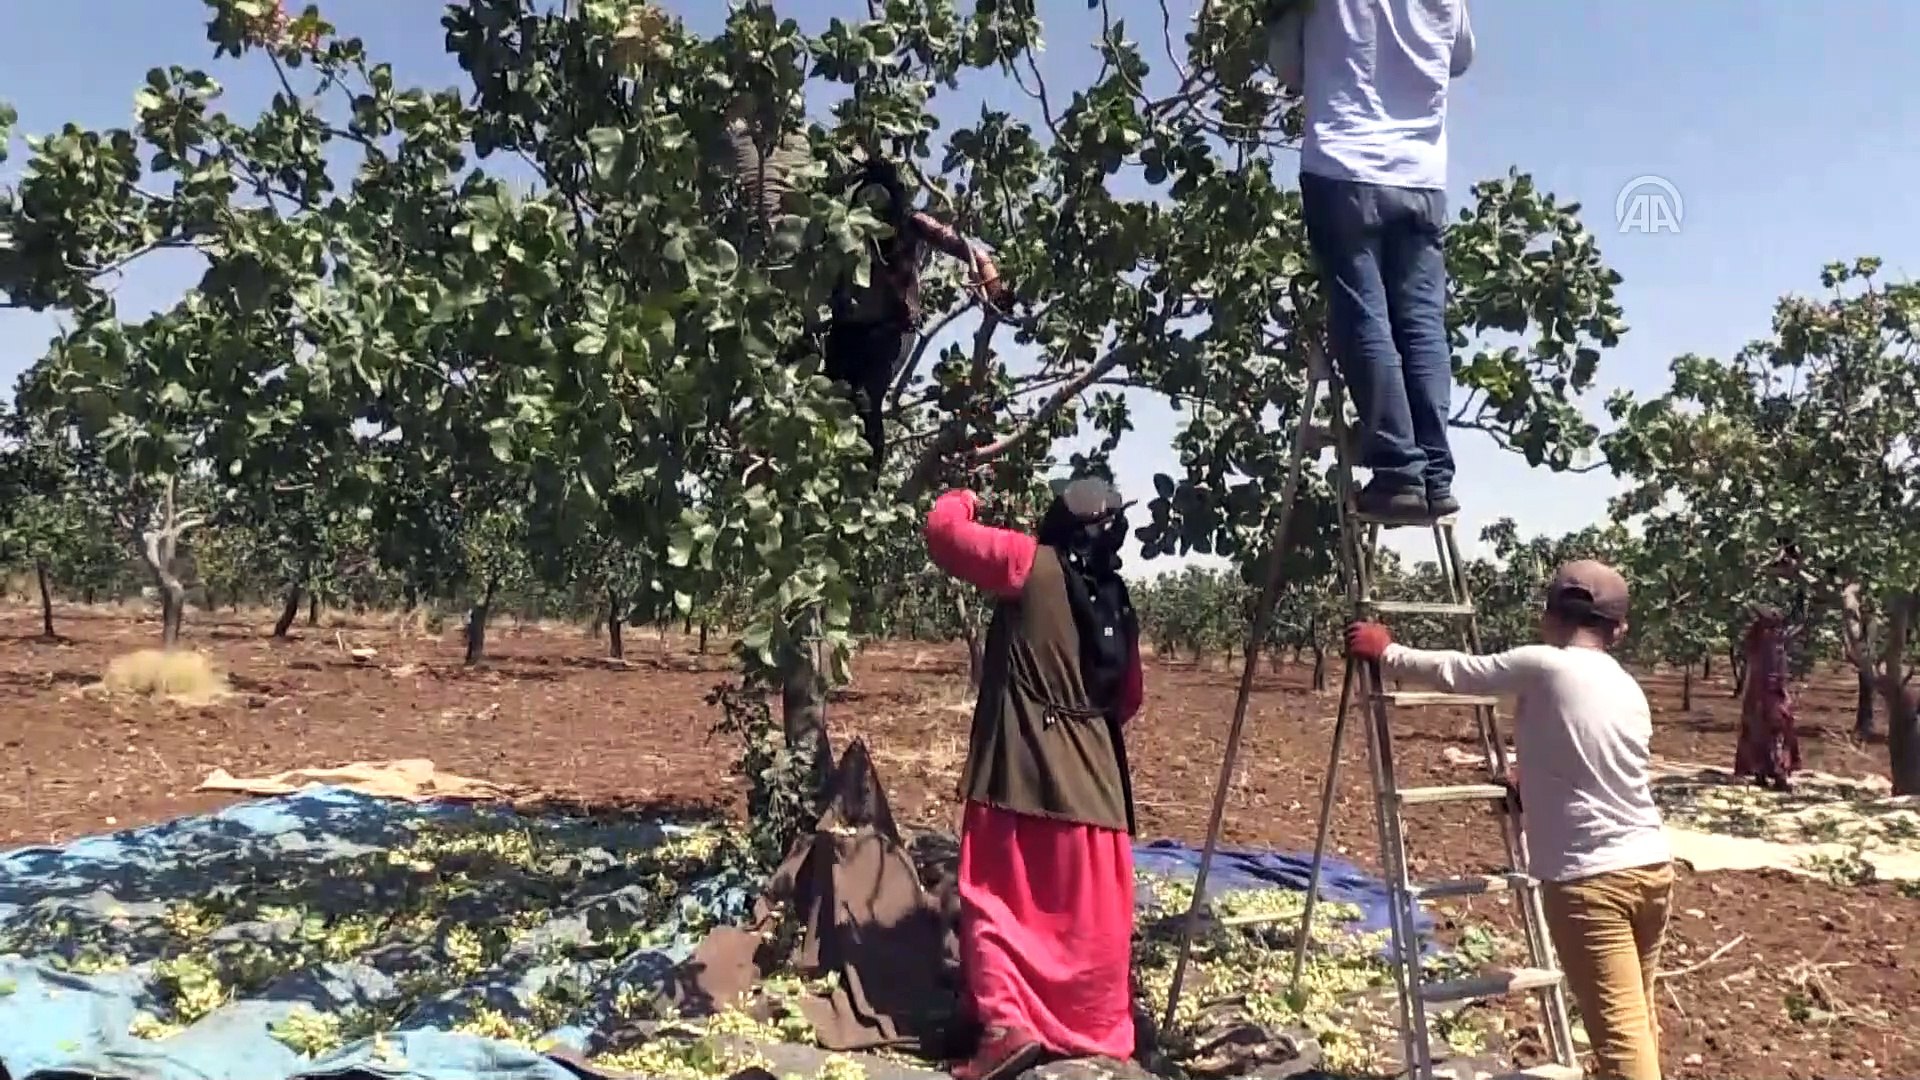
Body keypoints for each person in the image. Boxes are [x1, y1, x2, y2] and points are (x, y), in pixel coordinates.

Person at [1344, 560, 1672, 1080]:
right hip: (1651, 867)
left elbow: (1458, 673)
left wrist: (1386, 651)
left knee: (1620, 1038)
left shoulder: (1545, 666)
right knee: (1636, 1017)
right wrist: (1532, 785)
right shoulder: (1626, 688)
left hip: (1590, 881)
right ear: (1620, 629)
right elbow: (1593, 761)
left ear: (1548, 614)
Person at [923, 479, 1145, 1080]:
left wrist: (963, 497)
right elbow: (1128, 699)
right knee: (1090, 919)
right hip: (1097, 788)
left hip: (1018, 772)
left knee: (997, 901)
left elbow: (944, 536)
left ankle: (1005, 1026)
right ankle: (1095, 1032)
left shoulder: (1027, 562)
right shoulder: (1116, 600)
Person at [1283, 0, 1477, 522]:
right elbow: (1458, 58)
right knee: (1422, 326)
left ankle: (1397, 471)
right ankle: (1435, 475)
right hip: (1421, 177)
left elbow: (1286, 66)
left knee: (1365, 317)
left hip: (1343, 165)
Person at [826, 158, 1014, 477]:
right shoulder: (844, 227)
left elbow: (971, 251)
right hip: (847, 331)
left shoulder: (911, 223)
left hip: (890, 331)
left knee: (865, 400)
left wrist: (994, 288)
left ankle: (866, 484)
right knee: (831, 401)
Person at [1735, 606, 1801, 790]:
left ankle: (1760, 773)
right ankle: (1778, 775)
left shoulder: (1756, 640)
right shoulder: (1771, 642)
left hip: (1755, 696)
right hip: (1770, 695)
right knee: (1777, 731)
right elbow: (1774, 673)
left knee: (1758, 733)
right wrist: (1781, 692)